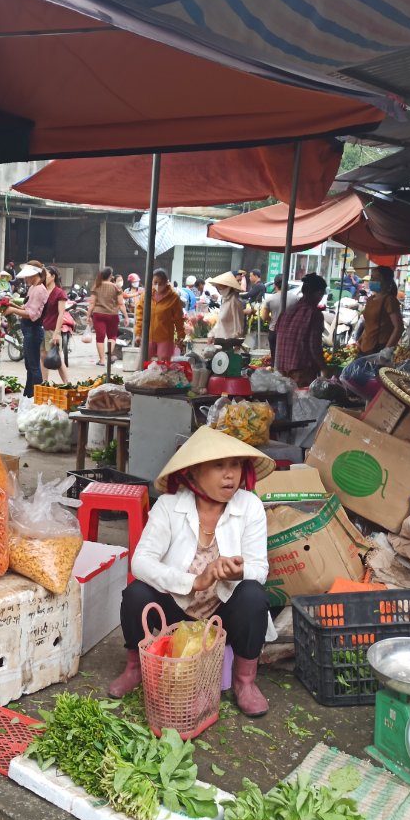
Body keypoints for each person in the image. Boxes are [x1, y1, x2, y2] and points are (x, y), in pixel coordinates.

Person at [108, 427, 275, 717]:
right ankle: (135, 667)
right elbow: (141, 561)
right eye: (219, 465)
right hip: (178, 608)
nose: (230, 475)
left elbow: (260, 568)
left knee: (253, 595)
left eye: (235, 465)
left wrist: (236, 572)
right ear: (194, 472)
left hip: (223, 614)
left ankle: (244, 682)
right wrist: (195, 581)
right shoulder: (169, 507)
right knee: (136, 594)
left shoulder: (249, 506)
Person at [274, 273, 327, 387]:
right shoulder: (314, 314)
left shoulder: (288, 311)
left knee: (284, 402)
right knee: (301, 403)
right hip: (302, 372)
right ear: (318, 293)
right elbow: (314, 346)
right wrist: (324, 368)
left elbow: (277, 335)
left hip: (282, 369)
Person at [3, 261, 48, 397]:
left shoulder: (40, 289)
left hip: (33, 331)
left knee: (34, 366)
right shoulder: (33, 287)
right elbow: (26, 308)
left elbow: (32, 315)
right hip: (28, 331)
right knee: (29, 365)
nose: (26, 279)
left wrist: (13, 310)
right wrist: (13, 306)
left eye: (27, 276)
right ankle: (28, 395)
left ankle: (37, 398)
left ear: (35, 274)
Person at [134, 269, 184, 359]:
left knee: (163, 366)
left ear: (166, 282)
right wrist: (138, 334)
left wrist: (181, 336)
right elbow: (140, 315)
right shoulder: (146, 295)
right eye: (155, 282)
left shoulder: (173, 297)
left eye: (161, 283)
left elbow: (179, 319)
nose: (157, 285)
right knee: (144, 364)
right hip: (147, 336)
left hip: (165, 338)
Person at [358, 265, 403, 359]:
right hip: (365, 347)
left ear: (386, 281)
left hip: (379, 348)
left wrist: (386, 351)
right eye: (372, 277)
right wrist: (360, 340)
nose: (372, 280)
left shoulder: (389, 300)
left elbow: (398, 328)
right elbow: (368, 324)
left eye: (376, 278)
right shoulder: (370, 300)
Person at [89, 267, 125, 366]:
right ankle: (109, 356)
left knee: (100, 338)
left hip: (98, 314)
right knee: (112, 336)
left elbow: (92, 303)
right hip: (112, 315)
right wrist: (126, 316)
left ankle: (102, 360)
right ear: (110, 276)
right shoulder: (116, 287)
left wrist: (88, 316)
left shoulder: (97, 286)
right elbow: (121, 303)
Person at [41, 265, 70, 384]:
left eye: (45, 275)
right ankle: (45, 382)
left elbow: (61, 314)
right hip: (41, 328)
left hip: (53, 329)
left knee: (57, 359)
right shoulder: (42, 290)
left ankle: (68, 384)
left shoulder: (59, 293)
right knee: (43, 356)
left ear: (53, 277)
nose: (43, 278)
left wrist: (57, 333)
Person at [208, 271, 246, 346]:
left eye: (220, 286)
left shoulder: (234, 301)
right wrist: (211, 334)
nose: (218, 288)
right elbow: (220, 322)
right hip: (220, 341)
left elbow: (238, 324)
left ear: (227, 287)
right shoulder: (225, 299)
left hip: (229, 342)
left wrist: (237, 341)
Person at [260, 275, 286, 363]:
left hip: (274, 330)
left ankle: (275, 373)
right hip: (289, 332)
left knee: (275, 358)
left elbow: (264, 317)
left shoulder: (270, 299)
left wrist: (272, 319)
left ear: (275, 285)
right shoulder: (295, 299)